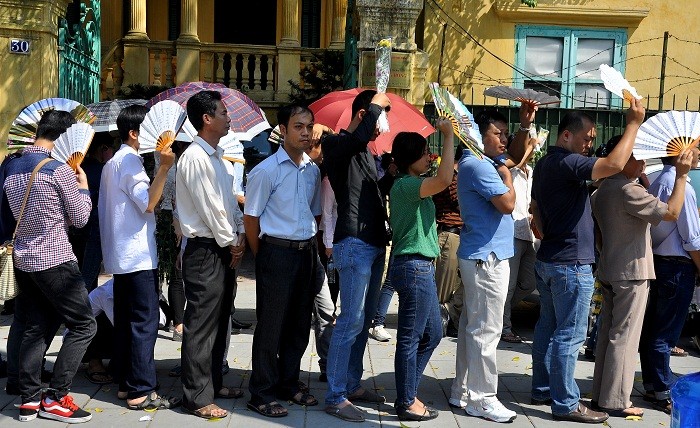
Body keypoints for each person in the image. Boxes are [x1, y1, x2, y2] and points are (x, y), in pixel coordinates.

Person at [530, 99, 645, 423]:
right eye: (587, 138)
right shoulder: (567, 163)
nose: (590, 145)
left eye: (593, 140)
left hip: (551, 258)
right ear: (566, 135)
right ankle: (566, 403)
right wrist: (633, 124)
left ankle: (543, 388)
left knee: (548, 328)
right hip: (569, 265)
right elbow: (612, 165)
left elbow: (535, 207)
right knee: (570, 335)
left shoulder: (546, 164)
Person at [590, 136, 695, 417]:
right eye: (639, 158)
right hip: (633, 270)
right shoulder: (628, 190)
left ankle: (602, 395)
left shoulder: (601, 190)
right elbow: (671, 212)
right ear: (625, 158)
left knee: (608, 336)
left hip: (611, 266)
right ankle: (616, 400)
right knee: (625, 338)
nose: (644, 164)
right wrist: (682, 176)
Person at [5, 109, 96, 423]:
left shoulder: (13, 166)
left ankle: (29, 400)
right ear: (66, 137)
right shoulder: (58, 171)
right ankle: (57, 396)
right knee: (85, 325)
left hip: (24, 259)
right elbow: (81, 218)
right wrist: (82, 186)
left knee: (35, 327)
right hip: (55, 259)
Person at [99, 104, 179, 411]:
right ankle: (141, 390)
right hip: (137, 256)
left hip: (122, 256)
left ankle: (126, 383)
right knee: (144, 323)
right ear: (134, 134)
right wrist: (164, 168)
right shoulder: (131, 161)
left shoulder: (112, 162)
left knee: (128, 320)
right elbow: (147, 202)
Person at [244, 105, 321, 417]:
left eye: (309, 127)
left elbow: (314, 212)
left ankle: (288, 383)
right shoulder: (266, 171)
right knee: (271, 326)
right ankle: (260, 392)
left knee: (299, 325)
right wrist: (264, 255)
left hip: (306, 254)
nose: (304, 133)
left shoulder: (313, 171)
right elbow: (252, 218)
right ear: (283, 130)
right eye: (298, 126)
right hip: (275, 252)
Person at [321, 89, 392, 423]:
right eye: (380, 118)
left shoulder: (365, 152)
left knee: (363, 321)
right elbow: (357, 134)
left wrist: (390, 174)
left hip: (375, 242)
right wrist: (378, 99)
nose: (383, 127)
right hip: (354, 243)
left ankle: (351, 382)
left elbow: (374, 191)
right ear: (364, 115)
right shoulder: (337, 145)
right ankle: (335, 396)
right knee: (349, 321)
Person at [175, 90, 246, 419]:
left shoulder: (217, 157)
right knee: (201, 326)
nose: (228, 117)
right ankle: (197, 396)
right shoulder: (195, 158)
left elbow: (230, 203)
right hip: (206, 249)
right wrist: (232, 240)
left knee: (219, 321)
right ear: (206, 119)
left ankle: (213, 383)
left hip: (222, 245)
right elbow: (212, 210)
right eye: (222, 112)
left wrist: (240, 234)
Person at [449, 110, 519, 423]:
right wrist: (507, 178)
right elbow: (507, 203)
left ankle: (462, 390)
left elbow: (513, 158)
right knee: (487, 330)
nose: (504, 139)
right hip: (487, 258)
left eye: (506, 133)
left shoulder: (475, 162)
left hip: (481, 254)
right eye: (499, 133)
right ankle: (482, 399)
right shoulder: (479, 165)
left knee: (472, 326)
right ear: (479, 135)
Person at [389, 120, 454, 421]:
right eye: (427, 153)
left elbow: (443, 179)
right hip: (413, 266)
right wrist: (450, 136)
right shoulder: (407, 185)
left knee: (433, 333)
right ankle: (406, 401)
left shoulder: (413, 185)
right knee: (411, 337)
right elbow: (443, 179)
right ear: (411, 157)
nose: (430, 157)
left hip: (421, 267)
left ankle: (407, 392)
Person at [640, 148, 700, 414]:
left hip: (662, 263)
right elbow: (692, 237)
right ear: (681, 153)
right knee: (664, 333)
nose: (698, 154)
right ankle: (662, 390)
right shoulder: (680, 186)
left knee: (654, 329)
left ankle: (654, 384)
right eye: (695, 148)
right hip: (677, 265)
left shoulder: (659, 180)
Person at [501, 137, 538, 343]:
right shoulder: (509, 170)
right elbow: (518, 161)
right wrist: (528, 146)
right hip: (512, 232)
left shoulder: (531, 172)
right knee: (510, 284)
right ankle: (504, 327)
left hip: (528, 233)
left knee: (528, 283)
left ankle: (497, 312)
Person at [432, 145, 464, 338]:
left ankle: (449, 320)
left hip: (460, 236)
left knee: (462, 286)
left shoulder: (455, 175)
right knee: (443, 290)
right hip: (450, 236)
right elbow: (461, 202)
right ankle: (436, 326)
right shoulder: (451, 176)